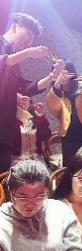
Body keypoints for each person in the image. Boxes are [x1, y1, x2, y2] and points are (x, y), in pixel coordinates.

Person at [0, 12, 62, 171]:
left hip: (5, 132)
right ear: (14, 27)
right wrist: (29, 53)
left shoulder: (13, 59)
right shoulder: (6, 52)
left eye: (31, 40)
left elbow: (25, 88)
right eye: (27, 35)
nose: (28, 42)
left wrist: (52, 76)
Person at [46, 59, 82, 165]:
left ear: (71, 72)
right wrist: (57, 84)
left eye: (64, 71)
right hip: (69, 137)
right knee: (71, 168)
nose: (61, 75)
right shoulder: (56, 92)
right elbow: (53, 108)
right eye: (57, 72)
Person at [12, 96, 51, 164]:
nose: (23, 105)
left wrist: (40, 117)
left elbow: (46, 136)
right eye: (20, 103)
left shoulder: (36, 117)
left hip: (36, 157)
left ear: (30, 104)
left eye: (26, 102)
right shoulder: (11, 118)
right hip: (17, 157)